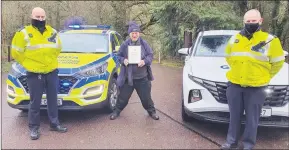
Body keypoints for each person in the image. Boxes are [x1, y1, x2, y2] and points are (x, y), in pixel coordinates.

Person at [221, 9, 285, 150]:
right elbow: (228, 57)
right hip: (235, 85)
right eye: (248, 21)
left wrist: (266, 76)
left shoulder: (270, 40)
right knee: (234, 117)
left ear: (260, 21)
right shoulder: (235, 38)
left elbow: (278, 62)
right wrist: (240, 70)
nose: (251, 23)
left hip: (257, 88)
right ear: (244, 22)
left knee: (252, 119)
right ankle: (231, 143)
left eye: (253, 21)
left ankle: (248, 145)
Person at [11, 7, 67, 140]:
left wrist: (49, 61)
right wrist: (28, 63)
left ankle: (54, 124)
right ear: (32, 17)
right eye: (37, 17)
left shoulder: (52, 32)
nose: (40, 19)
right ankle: (34, 128)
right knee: (35, 103)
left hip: (51, 71)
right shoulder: (23, 33)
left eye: (42, 17)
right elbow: (16, 52)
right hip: (34, 73)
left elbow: (58, 48)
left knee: (52, 100)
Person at [109, 21, 159, 120]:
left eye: (136, 33)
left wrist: (144, 61)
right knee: (123, 98)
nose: (135, 35)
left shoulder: (144, 44)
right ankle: (116, 111)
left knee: (146, 99)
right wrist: (124, 60)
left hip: (142, 77)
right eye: (133, 33)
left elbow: (150, 55)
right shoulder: (125, 44)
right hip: (129, 78)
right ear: (130, 34)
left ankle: (152, 112)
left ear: (139, 34)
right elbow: (118, 56)